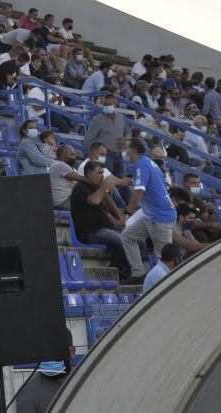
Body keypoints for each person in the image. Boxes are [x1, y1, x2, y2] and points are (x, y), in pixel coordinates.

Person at [121, 139, 178, 282]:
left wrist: (127, 212)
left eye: (127, 149)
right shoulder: (148, 162)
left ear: (133, 150)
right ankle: (138, 273)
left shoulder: (141, 165)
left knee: (165, 260)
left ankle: (167, 289)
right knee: (127, 236)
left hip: (160, 217)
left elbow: (139, 192)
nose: (126, 152)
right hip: (152, 215)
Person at [70, 159, 130, 279]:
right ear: (89, 174)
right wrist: (105, 185)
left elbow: (105, 213)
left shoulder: (96, 188)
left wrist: (119, 223)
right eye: (99, 173)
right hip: (91, 232)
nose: (102, 176)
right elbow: (95, 200)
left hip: (104, 229)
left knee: (134, 239)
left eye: (103, 173)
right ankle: (115, 273)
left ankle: (127, 273)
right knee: (125, 242)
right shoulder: (80, 188)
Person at [83, 94, 128, 177]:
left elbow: (128, 133)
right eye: (105, 104)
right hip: (106, 155)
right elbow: (88, 139)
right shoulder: (98, 120)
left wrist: (125, 139)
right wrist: (93, 154)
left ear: (116, 104)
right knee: (105, 179)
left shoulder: (121, 118)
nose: (107, 106)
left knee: (122, 181)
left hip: (119, 155)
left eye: (110, 104)